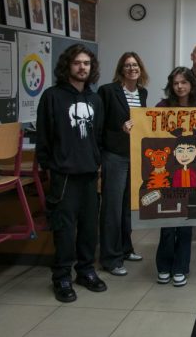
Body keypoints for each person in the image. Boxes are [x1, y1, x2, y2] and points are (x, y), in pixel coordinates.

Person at [36, 44, 105, 303]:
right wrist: (49, 167)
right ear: (67, 66)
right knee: (64, 229)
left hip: (89, 173)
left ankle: (85, 271)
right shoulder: (52, 96)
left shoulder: (95, 99)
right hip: (63, 175)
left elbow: (98, 136)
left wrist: (98, 163)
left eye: (86, 63)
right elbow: (43, 135)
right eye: (77, 62)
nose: (82, 67)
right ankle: (62, 277)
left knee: (89, 228)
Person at [98, 52, 149, 277]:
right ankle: (110, 258)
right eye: (127, 65)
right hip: (114, 155)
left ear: (140, 69)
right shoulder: (108, 91)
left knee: (128, 207)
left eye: (135, 65)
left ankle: (126, 249)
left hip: (135, 155)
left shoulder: (142, 92)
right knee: (112, 208)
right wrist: (121, 129)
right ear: (121, 69)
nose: (132, 68)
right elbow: (100, 124)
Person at [154, 67, 196, 287]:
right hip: (167, 175)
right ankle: (164, 266)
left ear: (191, 85)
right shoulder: (162, 107)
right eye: (176, 83)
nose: (180, 86)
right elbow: (150, 132)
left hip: (192, 175)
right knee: (167, 223)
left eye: (184, 82)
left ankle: (180, 267)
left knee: (186, 224)